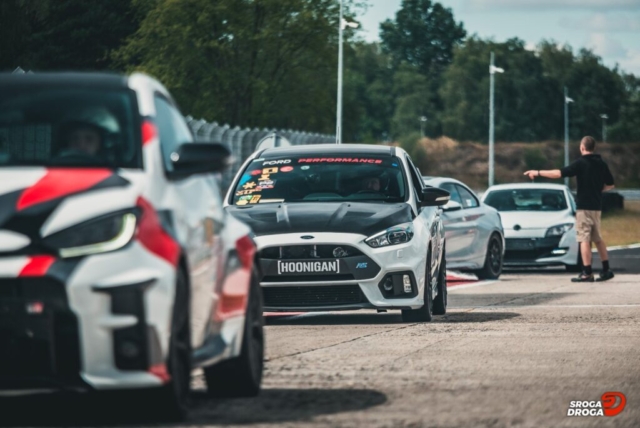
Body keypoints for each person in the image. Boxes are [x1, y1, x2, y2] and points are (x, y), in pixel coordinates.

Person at [524, 136, 615, 282]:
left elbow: (558, 173)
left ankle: (587, 272)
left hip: (584, 207)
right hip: (596, 207)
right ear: (594, 148)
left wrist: (538, 172)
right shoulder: (601, 164)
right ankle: (606, 269)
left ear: (582, 147)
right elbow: (610, 184)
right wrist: (597, 190)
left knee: (584, 239)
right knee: (598, 238)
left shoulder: (581, 163)